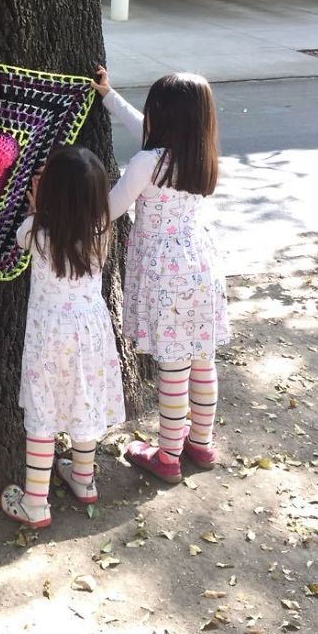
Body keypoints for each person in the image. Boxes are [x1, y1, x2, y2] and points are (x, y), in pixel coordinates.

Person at [94, 65, 228, 484]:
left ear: (163, 117)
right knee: (202, 360)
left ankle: (167, 454)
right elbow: (146, 132)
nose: (146, 116)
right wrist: (109, 96)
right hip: (201, 268)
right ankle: (200, 444)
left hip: (163, 276)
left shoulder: (146, 163)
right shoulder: (199, 156)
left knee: (172, 367)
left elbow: (109, 211)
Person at [0, 146, 126, 528]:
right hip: (91, 332)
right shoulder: (103, 231)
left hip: (48, 337)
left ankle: (35, 502)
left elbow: (23, 235)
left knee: (43, 411)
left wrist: (38, 208)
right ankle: (84, 479)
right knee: (83, 400)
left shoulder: (37, 233)